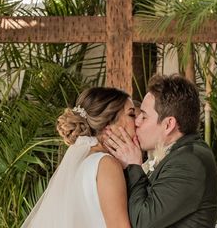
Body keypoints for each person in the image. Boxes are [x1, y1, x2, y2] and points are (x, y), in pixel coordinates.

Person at [106, 74, 217, 227]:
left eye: (144, 117)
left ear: (168, 124)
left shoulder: (189, 162)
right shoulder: (179, 153)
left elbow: (142, 222)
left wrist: (133, 166)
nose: (137, 122)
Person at [21, 86, 135, 228]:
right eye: (131, 115)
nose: (137, 121)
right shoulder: (106, 164)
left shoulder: (82, 163)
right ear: (109, 124)